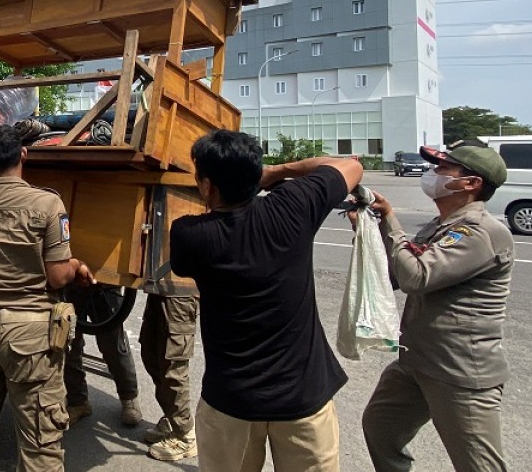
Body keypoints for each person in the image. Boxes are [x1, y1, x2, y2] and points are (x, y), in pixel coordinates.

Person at [169, 130, 363, 471]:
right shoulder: (294, 206)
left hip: (231, 403)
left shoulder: (190, 235)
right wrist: (279, 171)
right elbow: (350, 166)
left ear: (208, 186)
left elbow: (190, 255)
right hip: (303, 398)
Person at [0, 125, 95, 472]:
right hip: (30, 336)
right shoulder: (47, 203)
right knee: (39, 443)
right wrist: (76, 264)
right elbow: (58, 276)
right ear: (23, 155)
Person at [360, 140, 513, 472]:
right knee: (381, 428)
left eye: (443, 168)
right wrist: (370, 230)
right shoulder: (438, 226)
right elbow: (396, 276)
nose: (433, 174)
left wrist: (391, 220)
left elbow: (416, 277)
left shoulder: (479, 232)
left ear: (470, 183)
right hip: (416, 361)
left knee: (478, 465)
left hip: (458, 370)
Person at [63, 285, 142, 428]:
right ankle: (77, 400)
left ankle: (128, 396)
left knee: (112, 344)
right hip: (72, 284)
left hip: (107, 285)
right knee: (69, 343)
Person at [138, 292, 199, 461]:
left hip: (180, 291)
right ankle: (172, 418)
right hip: (159, 287)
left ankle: (185, 435)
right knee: (151, 354)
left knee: (173, 368)